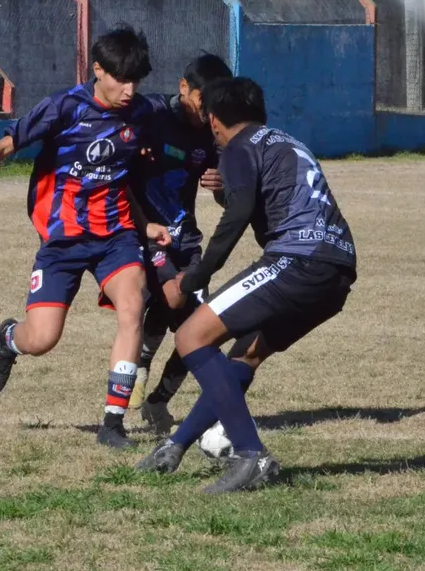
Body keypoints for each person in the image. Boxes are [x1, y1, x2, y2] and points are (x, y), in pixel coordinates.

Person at [0, 27, 173, 449]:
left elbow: (123, 178)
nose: (129, 90)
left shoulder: (142, 113)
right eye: (120, 79)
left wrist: (145, 225)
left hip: (116, 235)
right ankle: (7, 340)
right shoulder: (64, 108)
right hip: (63, 241)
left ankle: (112, 423)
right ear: (98, 70)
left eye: (136, 81)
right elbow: (8, 144)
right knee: (43, 338)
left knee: (133, 307)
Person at [135, 78, 357, 494]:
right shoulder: (286, 141)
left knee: (190, 337)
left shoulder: (239, 146)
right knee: (243, 357)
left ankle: (250, 455)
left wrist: (195, 278)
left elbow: (236, 218)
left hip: (298, 260)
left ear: (214, 120)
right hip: (338, 269)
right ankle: (174, 445)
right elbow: (255, 201)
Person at [127, 54, 234, 433]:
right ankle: (139, 363)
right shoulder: (151, 114)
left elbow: (228, 198)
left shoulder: (214, 131)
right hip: (150, 231)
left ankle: (159, 401)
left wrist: (222, 186)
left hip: (186, 236)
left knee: (202, 329)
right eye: (204, 102)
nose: (208, 113)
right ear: (183, 87)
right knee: (172, 298)